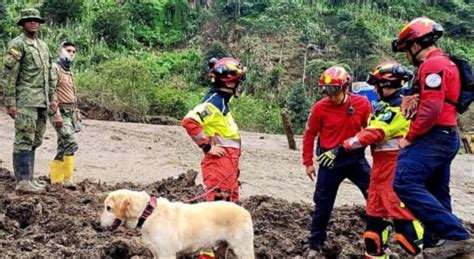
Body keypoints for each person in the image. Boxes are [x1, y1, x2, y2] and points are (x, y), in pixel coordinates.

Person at [392, 17, 473, 254]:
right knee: (437, 193)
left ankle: (456, 236)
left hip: (434, 136)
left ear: (415, 45)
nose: (406, 54)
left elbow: (431, 108)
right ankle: (437, 245)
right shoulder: (443, 64)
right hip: (445, 135)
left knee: (404, 181)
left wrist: (410, 137)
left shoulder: (433, 65)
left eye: (406, 48)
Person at [340, 62, 424, 257]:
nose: (374, 90)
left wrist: (344, 145)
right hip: (379, 172)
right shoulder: (383, 106)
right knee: (373, 234)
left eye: (376, 85)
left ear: (386, 85)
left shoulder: (401, 107)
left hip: (396, 171)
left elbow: (375, 132)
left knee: (407, 233)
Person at [302, 66, 372, 256]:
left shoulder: (363, 104)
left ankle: (378, 240)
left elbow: (371, 130)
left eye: (335, 91)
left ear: (346, 87)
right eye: (327, 91)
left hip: (355, 158)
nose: (331, 96)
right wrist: (308, 162)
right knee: (323, 204)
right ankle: (315, 244)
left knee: (374, 196)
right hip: (329, 161)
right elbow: (310, 134)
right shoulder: (320, 108)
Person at [181, 57, 246, 259]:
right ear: (229, 82)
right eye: (238, 81)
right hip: (219, 168)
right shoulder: (214, 103)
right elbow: (189, 121)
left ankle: (218, 254)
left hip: (227, 169)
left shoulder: (222, 103)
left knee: (226, 213)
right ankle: (207, 254)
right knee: (216, 212)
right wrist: (207, 146)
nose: (239, 86)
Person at [2, 8, 57, 193]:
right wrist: (10, 102)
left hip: (42, 101)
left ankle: (30, 178)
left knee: (36, 139)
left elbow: (50, 75)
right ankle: (22, 181)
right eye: (29, 20)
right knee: (24, 139)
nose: (33, 23)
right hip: (25, 100)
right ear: (23, 23)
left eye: (36, 20)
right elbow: (9, 75)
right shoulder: (18, 45)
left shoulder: (43, 46)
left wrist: (53, 98)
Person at [48, 41, 79, 187]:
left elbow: (71, 94)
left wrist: (76, 115)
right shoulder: (56, 68)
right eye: (68, 50)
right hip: (59, 111)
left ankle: (55, 179)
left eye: (73, 51)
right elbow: (51, 90)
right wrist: (56, 115)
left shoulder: (69, 70)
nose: (71, 53)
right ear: (61, 51)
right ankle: (68, 180)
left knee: (63, 146)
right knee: (71, 142)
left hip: (70, 112)